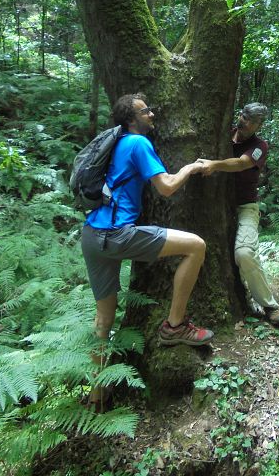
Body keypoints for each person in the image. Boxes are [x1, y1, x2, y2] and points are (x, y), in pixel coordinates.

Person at [81, 92, 214, 401]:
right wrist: (191, 168)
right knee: (196, 246)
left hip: (91, 236)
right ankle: (175, 326)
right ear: (131, 120)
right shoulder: (138, 142)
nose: (152, 114)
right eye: (145, 111)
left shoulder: (115, 144)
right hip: (117, 235)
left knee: (103, 320)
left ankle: (96, 393)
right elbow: (166, 187)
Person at [198, 103, 279, 327]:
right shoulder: (222, 136)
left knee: (245, 253)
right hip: (217, 206)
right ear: (240, 115)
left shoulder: (259, 146)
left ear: (259, 125)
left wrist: (214, 165)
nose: (247, 124)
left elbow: (241, 164)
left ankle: (270, 306)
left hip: (246, 207)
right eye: (246, 118)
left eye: (254, 122)